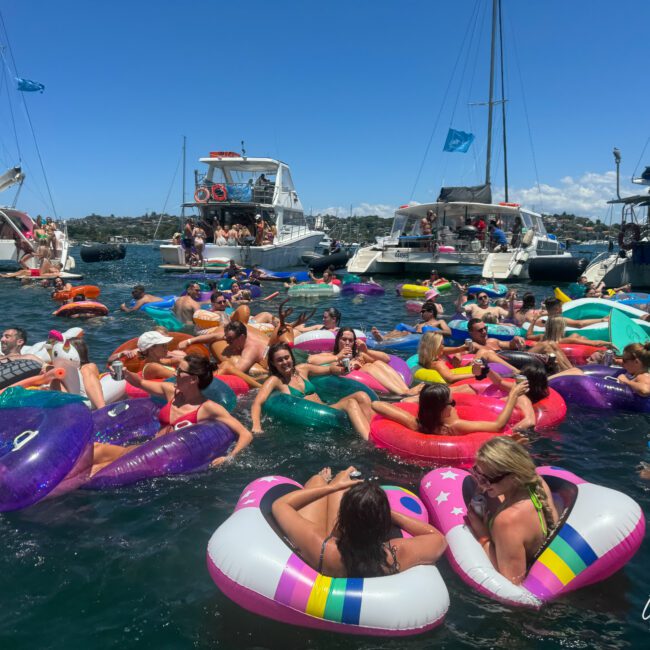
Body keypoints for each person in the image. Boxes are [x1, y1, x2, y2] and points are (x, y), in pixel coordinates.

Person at [270, 465, 447, 577]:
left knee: (317, 481)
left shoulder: (323, 548)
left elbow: (280, 505)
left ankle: (331, 481)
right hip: (365, 546)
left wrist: (332, 488)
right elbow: (438, 538)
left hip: (336, 551)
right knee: (343, 486)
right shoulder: (396, 554)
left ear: (342, 519)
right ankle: (341, 479)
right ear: (383, 525)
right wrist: (385, 513)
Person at [90, 355, 253, 475]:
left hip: (160, 461)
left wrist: (229, 457)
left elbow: (245, 434)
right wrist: (125, 373)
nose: (175, 373)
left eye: (180, 371)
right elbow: (140, 383)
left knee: (96, 470)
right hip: (144, 450)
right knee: (95, 450)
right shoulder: (171, 392)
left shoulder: (208, 408)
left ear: (193, 379)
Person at [466, 437, 559, 585]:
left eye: (487, 479)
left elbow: (511, 582)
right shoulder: (537, 484)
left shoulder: (507, 521)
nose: (480, 483)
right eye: (476, 472)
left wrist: (483, 535)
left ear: (513, 477)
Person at [251, 342, 373, 438]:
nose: (284, 362)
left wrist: (342, 370)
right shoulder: (275, 380)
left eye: (286, 357)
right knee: (350, 403)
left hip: (327, 407)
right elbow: (257, 402)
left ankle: (374, 429)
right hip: (314, 417)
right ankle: (369, 441)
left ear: (292, 357)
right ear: (273, 363)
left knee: (361, 395)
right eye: (279, 360)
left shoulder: (302, 369)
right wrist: (256, 425)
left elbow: (329, 369)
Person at [371, 381, 528, 436]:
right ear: (440, 409)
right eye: (452, 404)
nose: (454, 406)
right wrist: (513, 396)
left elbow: (376, 404)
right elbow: (498, 426)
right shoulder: (455, 426)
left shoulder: (416, 424)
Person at [309, 327, 421, 396]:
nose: (347, 343)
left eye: (351, 340)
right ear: (338, 340)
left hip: (375, 382)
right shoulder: (331, 355)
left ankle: (405, 390)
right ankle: (402, 392)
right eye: (344, 339)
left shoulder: (358, 354)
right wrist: (338, 357)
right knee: (368, 367)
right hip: (349, 383)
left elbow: (386, 359)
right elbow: (311, 360)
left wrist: (367, 351)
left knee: (377, 363)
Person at [184, 320, 268, 387]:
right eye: (226, 338)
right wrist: (189, 341)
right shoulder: (243, 334)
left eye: (230, 340)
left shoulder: (250, 351)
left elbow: (235, 372)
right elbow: (216, 336)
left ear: (241, 337)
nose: (227, 342)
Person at [415, 331, 518, 384]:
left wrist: (460, 350)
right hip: (465, 372)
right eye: (441, 344)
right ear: (435, 347)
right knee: (487, 353)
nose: (443, 346)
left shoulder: (431, 356)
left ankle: (515, 371)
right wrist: (477, 374)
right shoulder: (438, 364)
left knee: (484, 351)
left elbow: (447, 349)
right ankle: (517, 372)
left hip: (459, 368)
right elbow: (450, 378)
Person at [50, 338, 106, 410]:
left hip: (90, 399)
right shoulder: (66, 370)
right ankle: (69, 408)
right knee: (55, 379)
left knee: (85, 370)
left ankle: (102, 409)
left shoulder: (89, 367)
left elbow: (90, 378)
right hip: (72, 400)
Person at [107, 331, 179, 379]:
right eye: (163, 345)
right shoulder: (153, 367)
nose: (166, 348)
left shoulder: (162, 362)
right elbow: (181, 377)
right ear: (151, 349)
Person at [371, 301, 451, 340]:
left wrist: (433, 331)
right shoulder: (421, 323)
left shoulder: (439, 322)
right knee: (401, 329)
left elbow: (448, 332)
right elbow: (413, 329)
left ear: (431, 312)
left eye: (423, 311)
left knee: (406, 333)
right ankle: (383, 337)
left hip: (422, 338)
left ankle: (383, 338)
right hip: (414, 335)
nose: (421, 313)